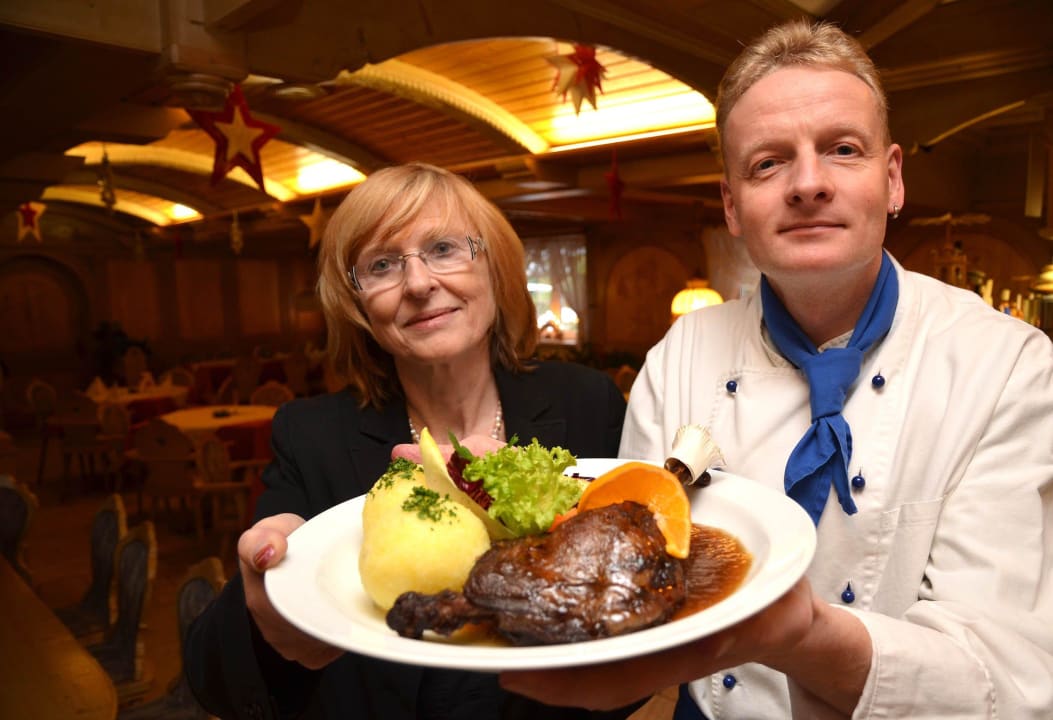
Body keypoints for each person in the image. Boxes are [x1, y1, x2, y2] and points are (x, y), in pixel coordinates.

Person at [500, 19, 1053, 719]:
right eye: (767, 163)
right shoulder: (681, 354)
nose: (807, 183)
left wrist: (805, 640)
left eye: (841, 150)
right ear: (732, 205)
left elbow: (1003, 680)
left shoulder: (1004, 366)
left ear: (891, 180)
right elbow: (637, 584)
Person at [184, 162, 634, 719]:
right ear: (357, 305)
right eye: (381, 265)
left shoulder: (586, 402)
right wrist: (265, 619)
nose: (419, 284)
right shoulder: (309, 435)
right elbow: (215, 681)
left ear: (493, 266)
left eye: (444, 248)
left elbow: (633, 618)